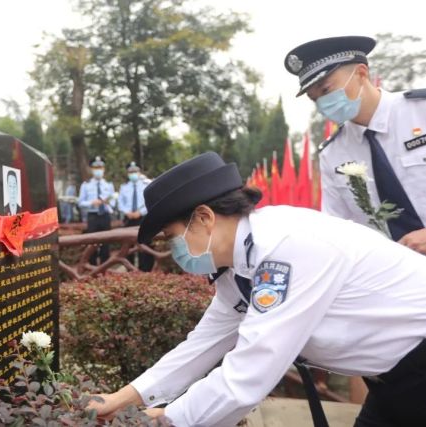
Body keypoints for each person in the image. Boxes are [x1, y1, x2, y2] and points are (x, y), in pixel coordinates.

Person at [92, 152, 426, 427]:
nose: (172, 249)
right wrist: (120, 400)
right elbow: (202, 345)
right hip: (395, 380)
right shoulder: (239, 266)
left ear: (205, 217)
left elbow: (249, 373)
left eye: (171, 236)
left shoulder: (286, 247)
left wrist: (165, 420)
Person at [284, 35, 426, 255]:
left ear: (361, 73)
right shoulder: (333, 154)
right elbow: (338, 231)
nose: (322, 104)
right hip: (397, 277)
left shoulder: (420, 111)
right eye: (314, 99)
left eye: (326, 90)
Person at [78, 156, 115, 265]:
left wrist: (107, 202)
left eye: (100, 167)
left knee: (106, 243)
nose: (98, 170)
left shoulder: (109, 185)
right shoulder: (86, 185)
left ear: (104, 169)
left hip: (105, 216)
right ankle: (92, 267)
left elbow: (113, 202)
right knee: (92, 243)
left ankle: (105, 267)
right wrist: (91, 203)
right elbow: (80, 202)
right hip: (92, 216)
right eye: (96, 167)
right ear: (92, 169)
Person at [118, 161, 154, 271]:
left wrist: (140, 212)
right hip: (128, 218)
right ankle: (130, 269)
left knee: (144, 244)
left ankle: (145, 270)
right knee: (128, 245)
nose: (133, 173)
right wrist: (127, 212)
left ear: (139, 172)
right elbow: (120, 203)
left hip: (143, 218)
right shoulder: (124, 187)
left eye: (135, 171)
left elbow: (150, 201)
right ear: (127, 173)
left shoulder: (146, 185)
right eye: (131, 171)